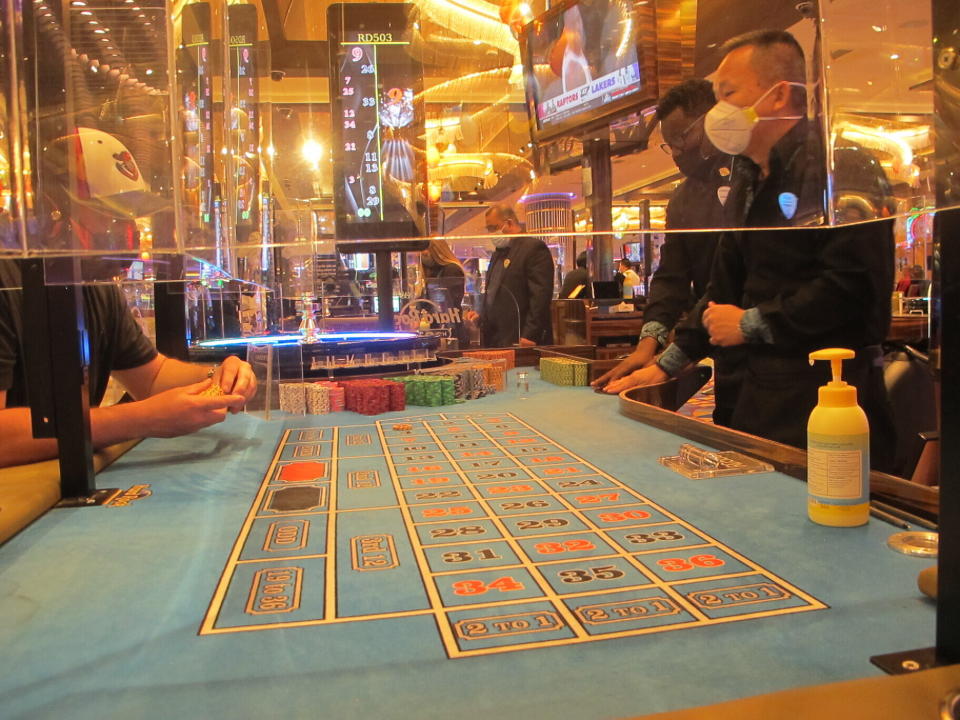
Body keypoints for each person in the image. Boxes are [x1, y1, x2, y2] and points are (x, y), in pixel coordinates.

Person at [602, 29, 896, 470]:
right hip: (750, 396)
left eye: (728, 93)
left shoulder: (840, 165)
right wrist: (667, 363)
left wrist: (752, 324)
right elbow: (723, 288)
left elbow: (854, 290)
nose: (717, 111)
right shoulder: (746, 176)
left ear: (778, 96)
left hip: (824, 401)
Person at [0, 260, 257, 468]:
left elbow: (153, 376)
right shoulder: (6, 279)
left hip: (62, 477)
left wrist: (218, 376)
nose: (132, 247)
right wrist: (141, 418)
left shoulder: (96, 286)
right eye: (116, 219)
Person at [593, 79, 743, 426]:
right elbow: (672, 277)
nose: (676, 152)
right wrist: (649, 342)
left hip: (779, 355)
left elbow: (730, 286)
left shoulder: (754, 181)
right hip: (723, 356)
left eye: (681, 140)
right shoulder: (683, 198)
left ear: (713, 119)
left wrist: (669, 360)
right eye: (669, 144)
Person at [464, 204, 554, 347]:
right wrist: (481, 317)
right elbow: (493, 293)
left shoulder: (533, 249)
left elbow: (540, 296)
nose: (491, 233)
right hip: (495, 338)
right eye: (489, 229)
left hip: (520, 337)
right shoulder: (497, 254)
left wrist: (530, 334)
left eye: (494, 228)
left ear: (509, 223)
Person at [418, 238, 467, 344]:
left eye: (425, 249)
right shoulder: (431, 272)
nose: (423, 253)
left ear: (437, 250)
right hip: (439, 329)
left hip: (449, 331)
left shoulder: (451, 270)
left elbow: (447, 304)